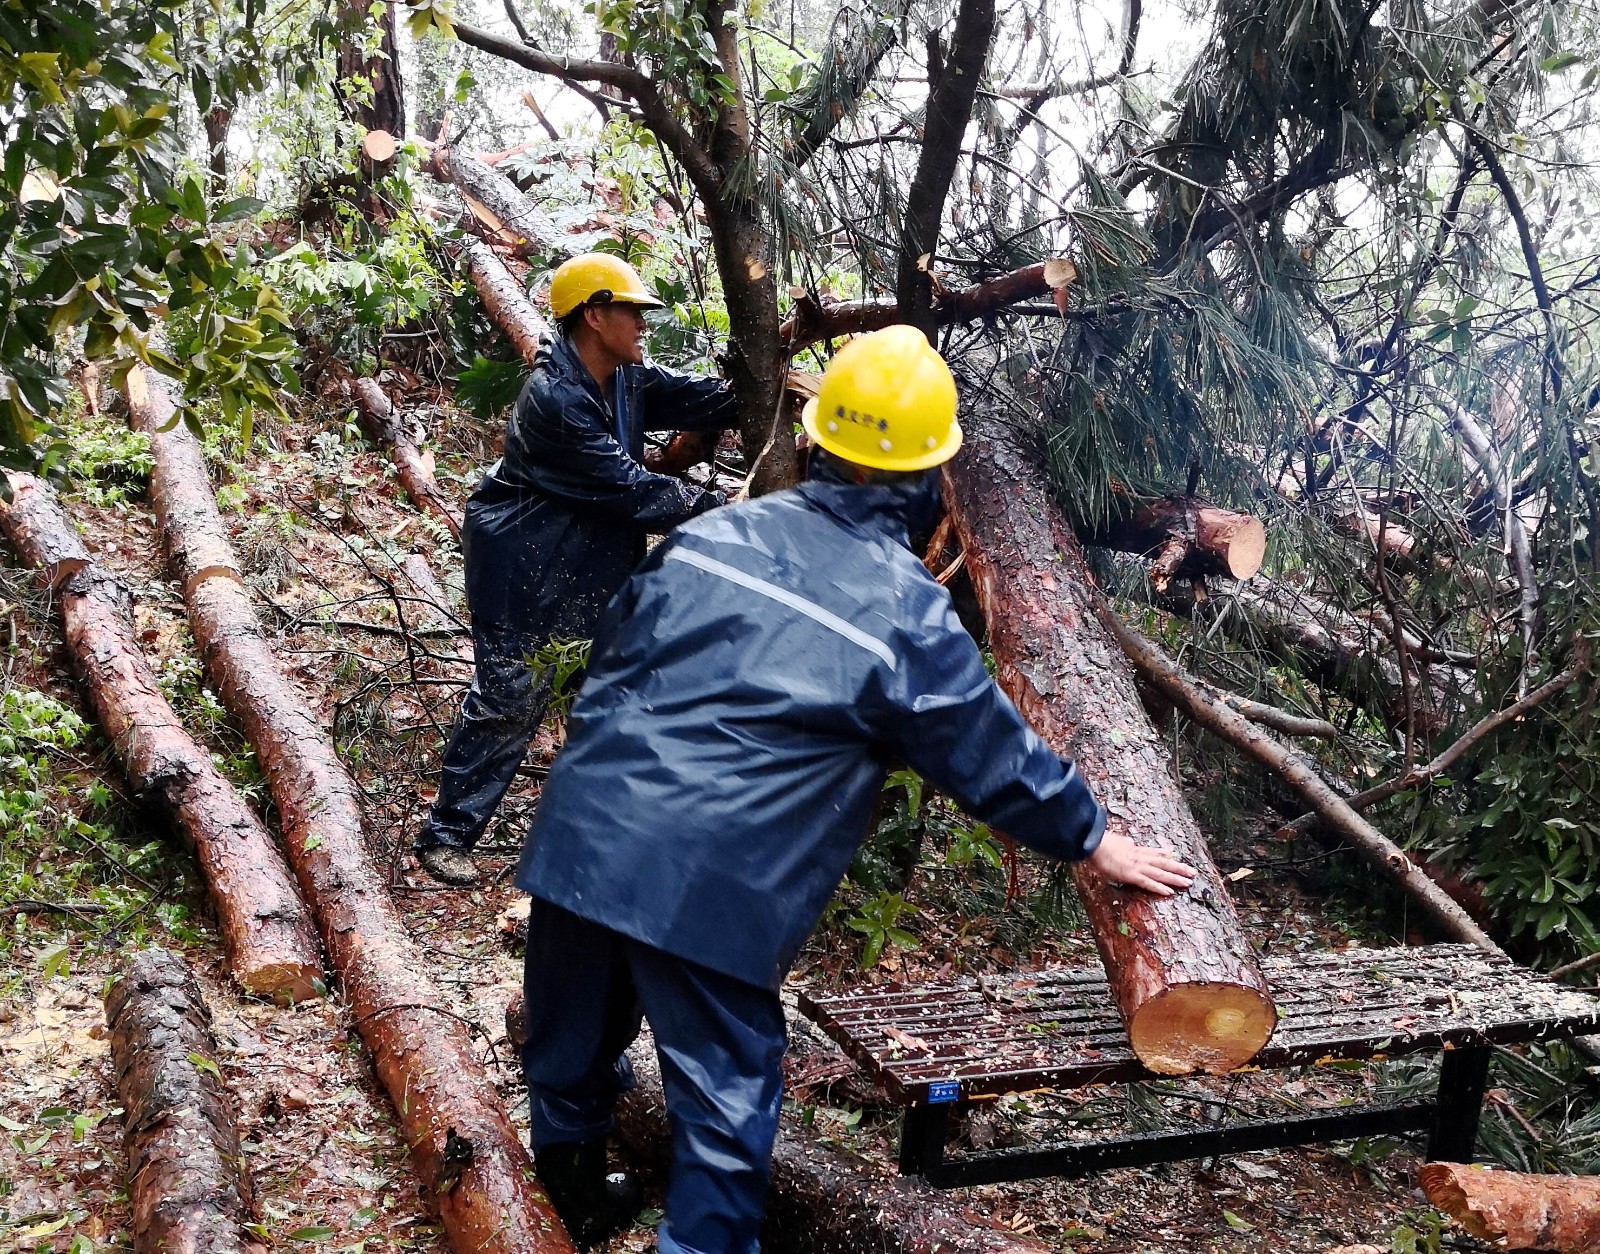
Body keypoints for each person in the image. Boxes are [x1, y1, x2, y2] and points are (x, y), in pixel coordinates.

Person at [512, 325, 1198, 1253]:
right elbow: (991, 755)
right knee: (722, 1129)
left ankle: (569, 1192)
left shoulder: (711, 535)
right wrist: (1094, 836)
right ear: (927, 477)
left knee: (572, 1037)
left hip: (582, 836)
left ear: (818, 441)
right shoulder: (904, 612)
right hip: (709, 887)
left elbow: (613, 664)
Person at [414, 253, 738, 886]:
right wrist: (725, 510)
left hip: (589, 563)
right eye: (632, 313)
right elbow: (631, 491)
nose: (642, 325)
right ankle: (447, 835)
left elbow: (699, 399)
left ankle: (595, 836)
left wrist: (766, 386)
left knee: (615, 693)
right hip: (524, 568)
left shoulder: (626, 377)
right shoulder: (556, 400)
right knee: (511, 695)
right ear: (594, 315)